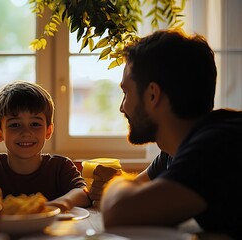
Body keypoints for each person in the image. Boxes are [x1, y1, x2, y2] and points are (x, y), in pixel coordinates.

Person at [89, 29, 242, 238]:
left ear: (153, 95)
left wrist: (115, 183)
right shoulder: (177, 150)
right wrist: (122, 184)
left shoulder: (216, 145)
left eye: (126, 93)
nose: (122, 108)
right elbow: (138, 190)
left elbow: (117, 212)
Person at [0, 81, 91, 212]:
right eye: (15, 125)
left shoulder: (60, 167)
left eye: (35, 124)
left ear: (48, 131)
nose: (26, 132)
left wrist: (61, 203)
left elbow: (83, 193)